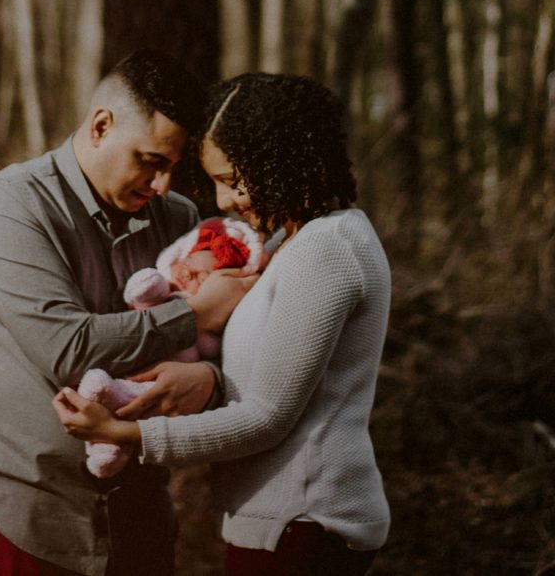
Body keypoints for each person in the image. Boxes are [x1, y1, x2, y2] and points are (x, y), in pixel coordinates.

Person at [52, 73, 391, 576]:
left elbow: (266, 417)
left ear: (286, 160)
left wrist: (130, 434)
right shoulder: (287, 246)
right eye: (216, 182)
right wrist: (204, 378)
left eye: (234, 180)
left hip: (304, 525)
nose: (224, 201)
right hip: (281, 522)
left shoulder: (327, 249)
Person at [0, 50, 259, 576]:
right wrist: (194, 315)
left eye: (174, 168)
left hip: (138, 518)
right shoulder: (9, 206)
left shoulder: (178, 217)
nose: (162, 186)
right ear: (101, 125)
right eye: (152, 161)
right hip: (20, 520)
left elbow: (226, 349)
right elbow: (68, 349)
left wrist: (206, 375)